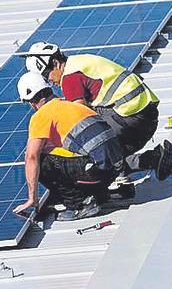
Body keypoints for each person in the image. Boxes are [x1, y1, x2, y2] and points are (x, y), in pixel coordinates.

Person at [18, 42, 172, 182]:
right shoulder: (79, 61)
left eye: (47, 75)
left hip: (130, 117)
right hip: (145, 114)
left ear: (55, 62)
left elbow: (80, 118)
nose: (49, 81)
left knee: (90, 146)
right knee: (104, 151)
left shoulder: (69, 79)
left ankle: (119, 175)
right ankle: (154, 159)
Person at [12, 73, 124, 221]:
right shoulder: (71, 105)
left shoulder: (41, 116)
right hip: (115, 171)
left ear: (32, 102)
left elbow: (31, 157)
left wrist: (32, 198)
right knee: (57, 152)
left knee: (42, 160)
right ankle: (98, 195)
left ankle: (79, 205)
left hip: (97, 174)